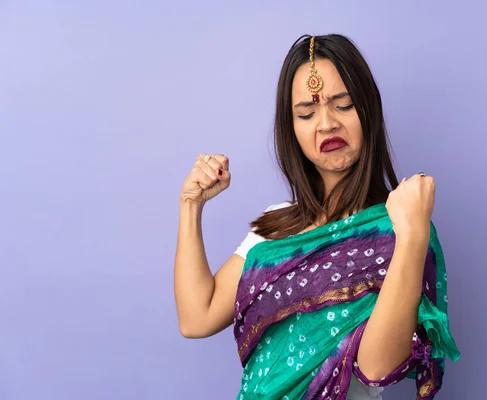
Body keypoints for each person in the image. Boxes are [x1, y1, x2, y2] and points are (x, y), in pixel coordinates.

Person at [174, 34, 460, 399]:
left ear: (367, 112)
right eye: (307, 114)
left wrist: (414, 235)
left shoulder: (399, 227)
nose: (326, 124)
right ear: (291, 130)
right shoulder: (276, 225)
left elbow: (377, 367)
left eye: (343, 105)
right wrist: (190, 204)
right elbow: (197, 316)